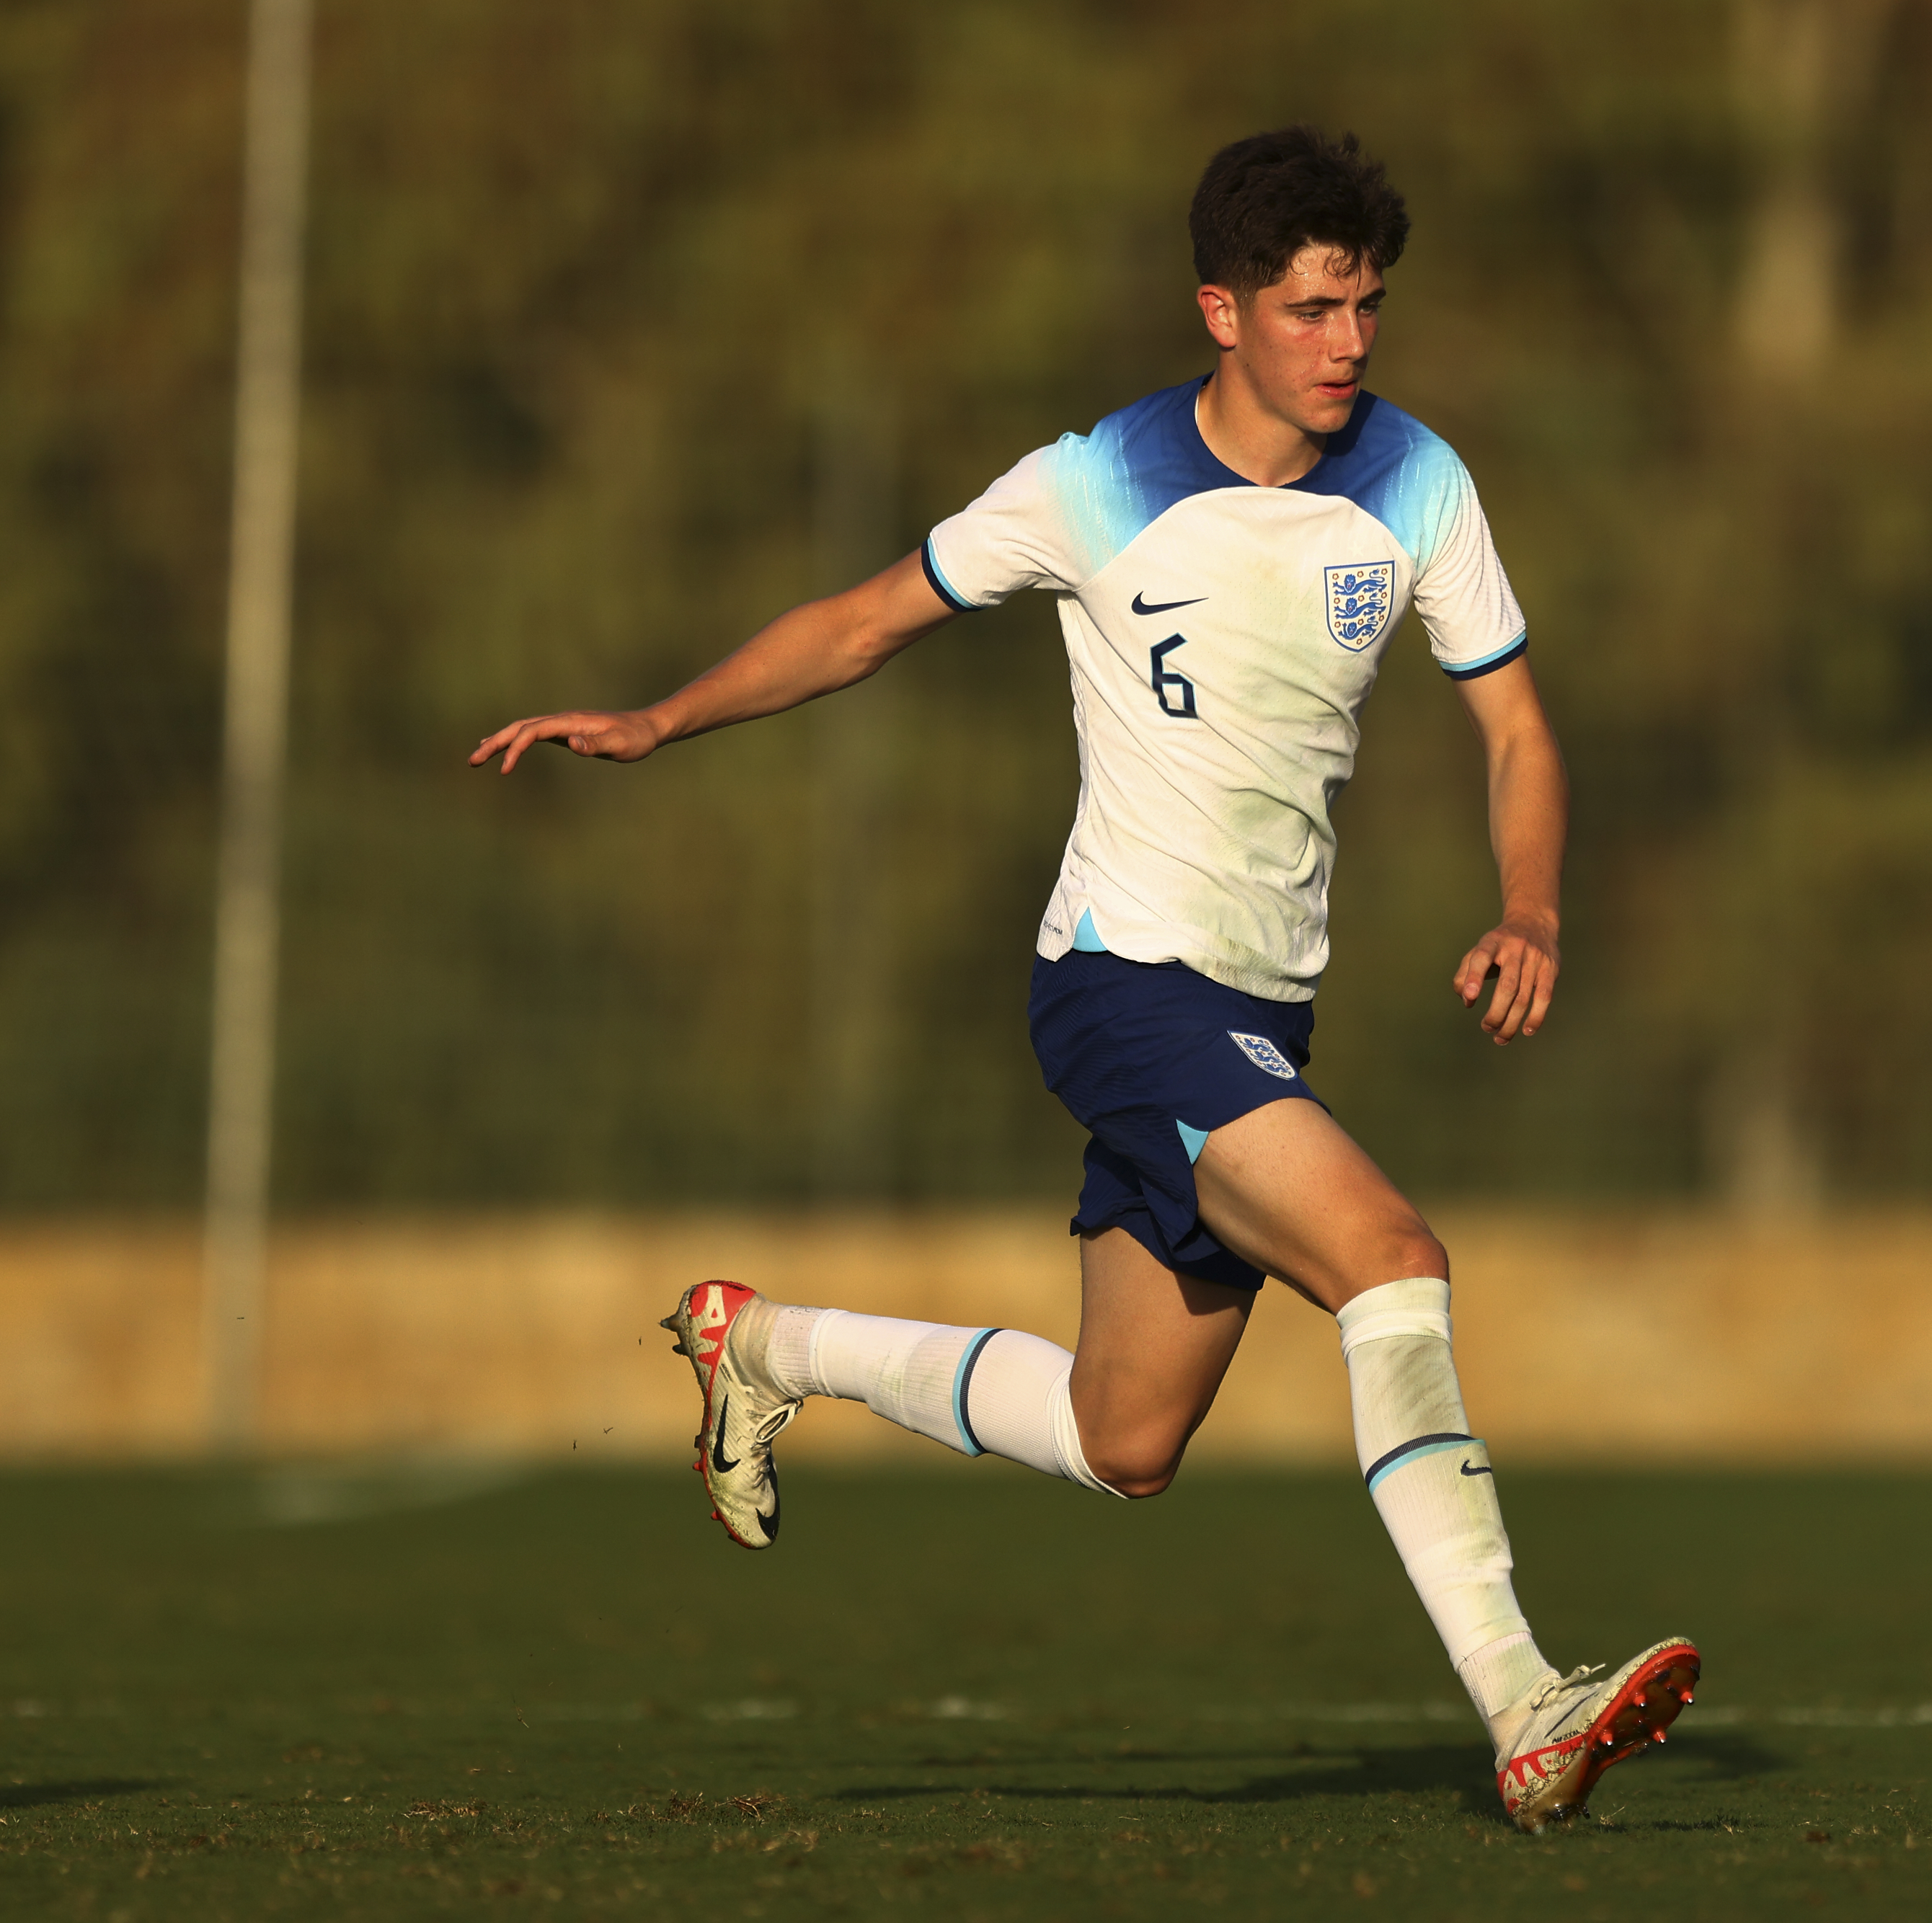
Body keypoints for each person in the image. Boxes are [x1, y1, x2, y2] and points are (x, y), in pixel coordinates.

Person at [471, 125, 1695, 1831]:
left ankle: (765, 1347)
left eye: (1366, 306)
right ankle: (1523, 1701)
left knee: (1125, 1435)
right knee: (1391, 1258)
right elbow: (863, 620)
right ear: (1221, 310)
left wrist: (1533, 907)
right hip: (1124, 984)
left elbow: (1514, 728)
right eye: (1311, 308)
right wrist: (661, 718)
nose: (1347, 341)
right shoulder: (1091, 480)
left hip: (1256, 1011)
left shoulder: (1419, 479)